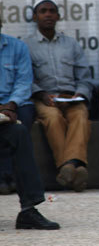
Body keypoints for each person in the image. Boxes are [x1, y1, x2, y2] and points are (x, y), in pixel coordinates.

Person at [24, 0, 93, 193]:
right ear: (35, 16)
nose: (48, 14)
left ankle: (67, 167)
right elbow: (24, 78)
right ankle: (75, 167)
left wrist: (79, 94)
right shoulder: (26, 45)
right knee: (53, 118)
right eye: (43, 11)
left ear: (58, 16)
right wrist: (42, 94)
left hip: (71, 98)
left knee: (80, 115)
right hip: (43, 98)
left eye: (52, 11)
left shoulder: (70, 44)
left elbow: (85, 77)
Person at [0, 20, 60, 230]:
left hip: (7, 110)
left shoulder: (16, 47)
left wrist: (9, 105)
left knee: (18, 132)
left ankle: (29, 209)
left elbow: (24, 81)